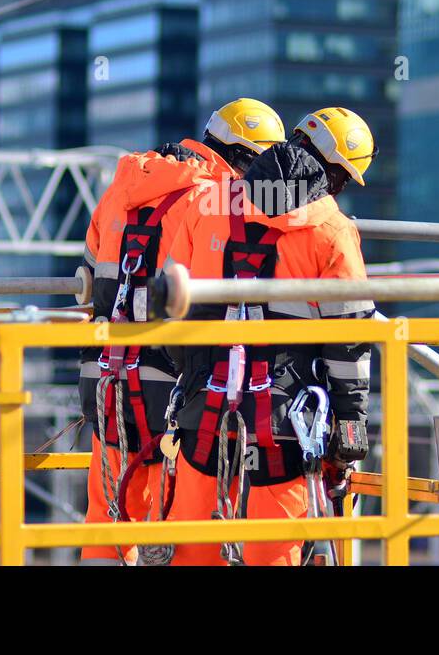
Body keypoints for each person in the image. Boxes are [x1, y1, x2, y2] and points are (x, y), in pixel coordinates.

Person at [162, 107, 377, 566]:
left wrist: (194, 376)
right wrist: (350, 422)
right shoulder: (332, 230)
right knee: (274, 550)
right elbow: (351, 340)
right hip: (283, 426)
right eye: (342, 180)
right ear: (332, 172)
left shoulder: (208, 206)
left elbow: (171, 310)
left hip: (204, 413)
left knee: (190, 548)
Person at [78, 98, 285, 565]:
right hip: (174, 384)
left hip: (104, 378)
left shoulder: (123, 186)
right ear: (246, 157)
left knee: (107, 518)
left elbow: (89, 276)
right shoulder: (216, 201)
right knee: (179, 523)